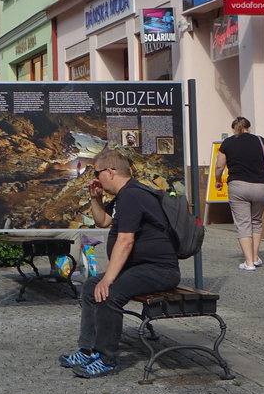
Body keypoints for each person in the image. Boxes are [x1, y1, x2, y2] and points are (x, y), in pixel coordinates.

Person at [60, 148, 180, 378]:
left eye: (97, 173)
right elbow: (103, 221)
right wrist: (95, 198)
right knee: (89, 288)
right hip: (139, 268)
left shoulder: (134, 195)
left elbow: (125, 240)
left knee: (108, 293)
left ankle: (107, 358)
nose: (96, 178)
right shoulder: (123, 196)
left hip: (160, 270)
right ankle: (87, 350)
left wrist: (108, 278)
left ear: (111, 171)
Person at [214, 116, 264, 271]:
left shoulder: (227, 143)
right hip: (261, 186)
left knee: (243, 224)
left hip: (238, 186)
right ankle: (255, 257)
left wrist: (218, 180)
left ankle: (249, 263)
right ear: (249, 127)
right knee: (256, 221)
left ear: (234, 129)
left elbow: (219, 166)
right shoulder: (260, 140)